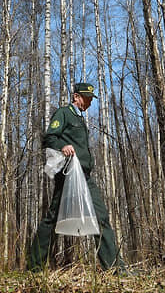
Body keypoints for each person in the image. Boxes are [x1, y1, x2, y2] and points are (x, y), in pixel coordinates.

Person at [26, 82, 123, 271]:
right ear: (76, 97)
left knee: (100, 217)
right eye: (86, 98)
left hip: (85, 176)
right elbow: (49, 137)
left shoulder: (80, 119)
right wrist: (63, 146)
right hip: (68, 173)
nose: (88, 102)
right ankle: (35, 267)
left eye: (90, 99)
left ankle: (115, 268)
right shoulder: (64, 113)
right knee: (53, 218)